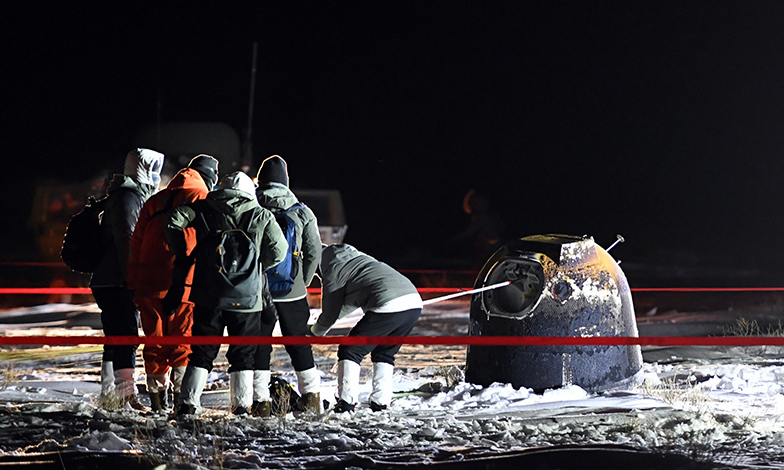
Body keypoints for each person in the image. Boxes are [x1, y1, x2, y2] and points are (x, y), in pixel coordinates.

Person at [164, 171, 287, 417]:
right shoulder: (261, 215)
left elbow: (173, 220)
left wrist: (184, 253)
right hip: (248, 299)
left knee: (202, 350)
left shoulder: (205, 208)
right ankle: (241, 407)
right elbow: (280, 251)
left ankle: (188, 404)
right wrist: (257, 266)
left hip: (209, 295)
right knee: (243, 354)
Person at [127, 155, 219, 412]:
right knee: (182, 342)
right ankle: (182, 401)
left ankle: (157, 402)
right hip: (185, 283)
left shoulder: (155, 200)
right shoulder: (203, 200)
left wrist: (134, 282)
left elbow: (135, 245)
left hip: (148, 283)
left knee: (154, 342)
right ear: (209, 178)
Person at [90, 148, 164, 411]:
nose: (156, 176)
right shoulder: (128, 198)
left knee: (116, 337)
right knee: (127, 336)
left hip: (109, 278)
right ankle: (125, 395)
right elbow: (127, 242)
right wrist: (133, 277)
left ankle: (111, 393)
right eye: (152, 169)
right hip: (118, 279)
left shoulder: (125, 195)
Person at [310, 244, 423, 413]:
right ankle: (381, 402)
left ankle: (346, 403)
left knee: (350, 350)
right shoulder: (356, 260)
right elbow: (348, 304)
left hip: (388, 303)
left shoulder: (332, 270)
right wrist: (321, 326)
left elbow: (331, 311)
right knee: (384, 353)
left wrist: (314, 333)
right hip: (413, 303)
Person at [255, 155, 323, 412]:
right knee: (298, 341)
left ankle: (260, 401)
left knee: (260, 344)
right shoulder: (302, 211)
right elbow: (314, 251)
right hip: (292, 290)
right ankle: (311, 397)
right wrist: (301, 282)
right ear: (285, 181)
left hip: (258, 290)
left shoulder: (253, 205)